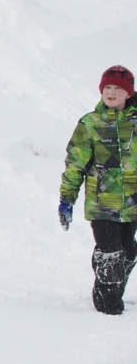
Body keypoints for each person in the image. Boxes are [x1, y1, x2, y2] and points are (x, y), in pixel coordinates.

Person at [59, 64, 137, 315]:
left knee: (128, 251)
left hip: (133, 203)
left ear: (128, 93)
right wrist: (66, 199)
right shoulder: (90, 124)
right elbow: (75, 164)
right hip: (102, 203)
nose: (111, 92)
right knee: (110, 253)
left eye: (117, 88)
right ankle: (107, 308)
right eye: (107, 87)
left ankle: (111, 291)